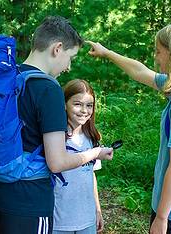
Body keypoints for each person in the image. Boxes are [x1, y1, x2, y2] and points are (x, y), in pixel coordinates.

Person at [0, 16, 113, 234]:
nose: (69, 66)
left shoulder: (7, 78)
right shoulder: (48, 89)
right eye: (70, 57)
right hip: (28, 202)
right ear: (57, 48)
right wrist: (95, 152)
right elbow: (57, 162)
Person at [87, 22, 171, 234]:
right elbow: (139, 72)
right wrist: (107, 52)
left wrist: (162, 218)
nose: (156, 57)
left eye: (158, 51)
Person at [53, 79, 104, 234]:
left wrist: (98, 209)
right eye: (77, 104)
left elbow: (91, 175)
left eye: (89, 105)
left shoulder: (92, 137)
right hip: (59, 221)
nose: (84, 110)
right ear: (64, 104)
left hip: (87, 220)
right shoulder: (55, 137)